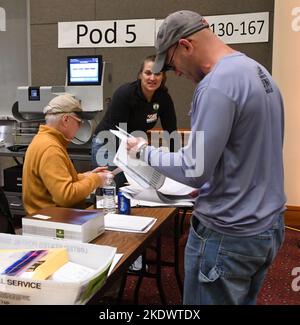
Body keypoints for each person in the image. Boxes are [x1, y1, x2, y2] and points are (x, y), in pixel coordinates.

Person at [127, 10, 286, 305]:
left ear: (186, 46)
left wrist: (142, 150)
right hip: (267, 227)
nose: (175, 73)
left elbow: (192, 169)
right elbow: (250, 152)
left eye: (172, 63)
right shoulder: (258, 72)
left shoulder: (215, 85)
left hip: (230, 233)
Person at [92, 54, 178, 190]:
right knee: (113, 187)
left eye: (157, 74)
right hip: (108, 143)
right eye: (148, 73)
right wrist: (132, 161)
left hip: (131, 146)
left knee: (137, 187)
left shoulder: (163, 98)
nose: (152, 78)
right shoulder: (125, 94)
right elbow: (117, 132)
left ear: (163, 77)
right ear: (140, 75)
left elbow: (171, 131)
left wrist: (176, 162)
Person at [22, 94, 110, 215]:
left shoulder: (43, 140)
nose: (79, 127)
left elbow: (57, 183)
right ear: (66, 120)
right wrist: (96, 179)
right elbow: (65, 196)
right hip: (54, 223)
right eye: (79, 122)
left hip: (49, 218)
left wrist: (86, 176)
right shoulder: (51, 148)